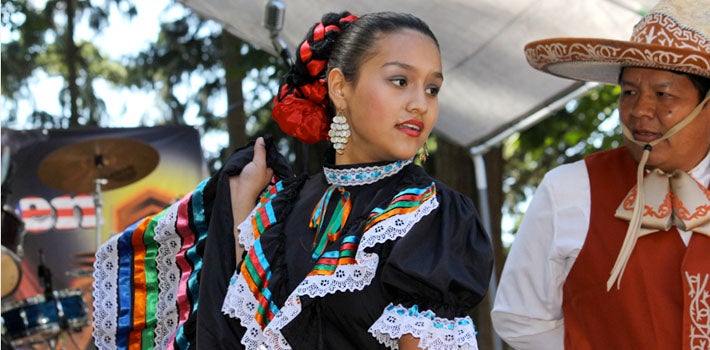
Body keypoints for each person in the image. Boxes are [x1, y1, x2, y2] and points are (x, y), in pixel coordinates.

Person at [91, 11, 493, 350]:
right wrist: (241, 205)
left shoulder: (430, 213)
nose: (420, 103)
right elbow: (236, 329)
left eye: (433, 88)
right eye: (400, 80)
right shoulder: (283, 205)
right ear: (340, 87)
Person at [491, 0, 710, 349]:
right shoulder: (570, 189)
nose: (639, 110)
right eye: (629, 92)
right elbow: (519, 317)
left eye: (663, 93)